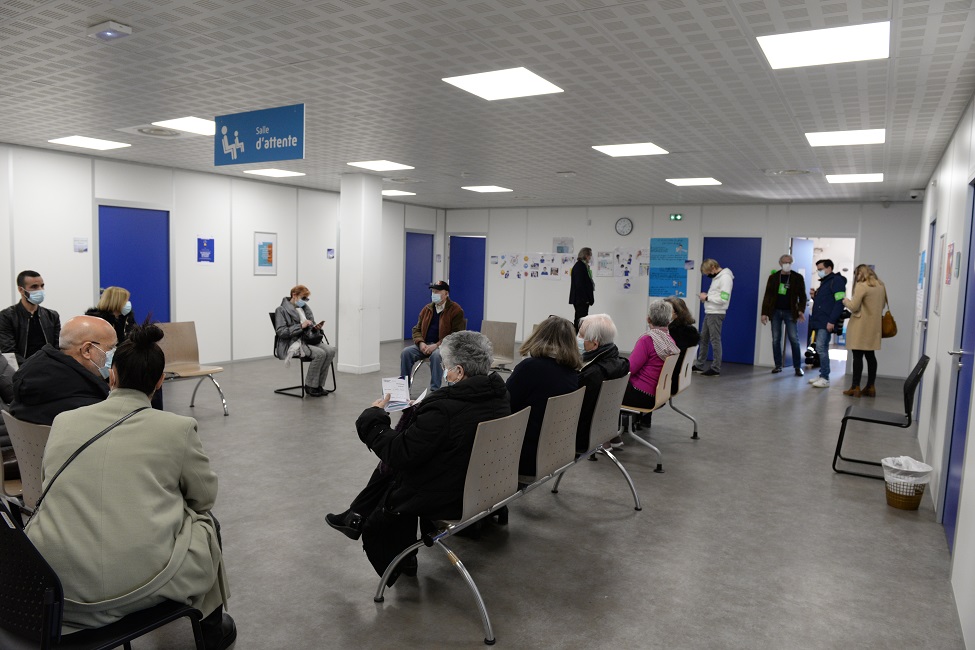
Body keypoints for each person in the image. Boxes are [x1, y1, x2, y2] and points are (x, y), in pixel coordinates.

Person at [24, 322, 235, 649]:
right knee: (207, 524)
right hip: (136, 588)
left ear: (113, 376)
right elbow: (204, 498)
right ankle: (212, 629)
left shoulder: (65, 421)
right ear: (161, 381)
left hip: (57, 589)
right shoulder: (177, 428)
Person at [325, 331, 509, 585]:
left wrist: (374, 418)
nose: (443, 371)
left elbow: (399, 453)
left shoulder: (444, 408)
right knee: (400, 469)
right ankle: (355, 517)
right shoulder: (498, 395)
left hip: (450, 496)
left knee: (395, 473)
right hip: (483, 484)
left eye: (444, 366)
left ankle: (388, 545)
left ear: (458, 371)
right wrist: (422, 416)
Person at [506, 315, 581, 477]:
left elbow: (505, 405)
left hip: (522, 455)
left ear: (539, 335)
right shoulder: (572, 373)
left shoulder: (530, 368)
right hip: (555, 451)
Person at [8, 315, 114, 425]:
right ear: (87, 350)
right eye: (111, 347)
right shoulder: (89, 407)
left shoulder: (28, 386)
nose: (114, 353)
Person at [576, 313, 629, 454]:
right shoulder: (621, 363)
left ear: (595, 343)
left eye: (581, 336)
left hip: (581, 436)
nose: (578, 339)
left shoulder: (591, 374)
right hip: (606, 425)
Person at [400, 281, 465, 391]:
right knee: (406, 352)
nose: (434, 294)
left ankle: (435, 390)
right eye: (433, 292)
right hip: (425, 345)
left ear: (446, 293)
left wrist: (436, 345)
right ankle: (402, 389)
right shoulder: (427, 309)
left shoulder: (456, 310)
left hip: (444, 347)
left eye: (438, 291)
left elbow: (456, 335)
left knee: (436, 356)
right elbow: (417, 329)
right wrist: (420, 343)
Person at [274, 284, 337, 397]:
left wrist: (315, 328)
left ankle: (318, 385)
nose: (305, 301)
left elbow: (309, 327)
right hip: (294, 342)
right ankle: (310, 386)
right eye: (303, 298)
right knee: (320, 354)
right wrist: (300, 326)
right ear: (294, 295)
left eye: (306, 299)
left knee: (331, 350)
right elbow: (281, 332)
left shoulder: (304, 309)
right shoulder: (281, 310)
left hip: (309, 340)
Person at [624, 300, 679, 423]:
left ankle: (612, 432)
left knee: (606, 390)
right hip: (660, 394)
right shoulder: (670, 340)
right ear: (669, 321)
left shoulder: (647, 340)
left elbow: (630, 369)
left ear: (648, 319)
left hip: (642, 395)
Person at [0, 270, 61, 365]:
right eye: (34, 287)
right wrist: (31, 368)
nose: (40, 290)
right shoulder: (7, 316)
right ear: (21, 290)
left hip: (49, 368)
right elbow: (9, 351)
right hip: (22, 371)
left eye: (42, 286)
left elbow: (57, 347)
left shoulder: (52, 316)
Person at [842, 264, 886, 397]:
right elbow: (882, 305)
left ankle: (855, 387)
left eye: (856, 274)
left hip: (860, 326)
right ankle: (871, 386)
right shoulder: (880, 285)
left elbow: (854, 307)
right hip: (874, 326)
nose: (856, 277)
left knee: (857, 356)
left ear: (861, 274)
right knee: (870, 356)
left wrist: (845, 301)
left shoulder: (862, 286)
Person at [760, 254, 807, 377]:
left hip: (790, 312)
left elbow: (803, 296)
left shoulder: (797, 277)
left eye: (789, 262)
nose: (787, 264)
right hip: (775, 311)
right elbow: (767, 296)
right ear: (780, 263)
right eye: (785, 262)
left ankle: (797, 367)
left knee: (794, 339)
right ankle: (778, 366)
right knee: (776, 339)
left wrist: (801, 310)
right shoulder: (774, 278)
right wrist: (764, 313)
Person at [808, 259, 847, 388]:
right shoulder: (825, 282)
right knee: (821, 348)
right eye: (818, 270)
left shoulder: (837, 281)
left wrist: (832, 321)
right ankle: (822, 374)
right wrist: (815, 296)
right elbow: (825, 302)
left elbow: (839, 302)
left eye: (821, 269)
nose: (819, 272)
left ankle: (825, 377)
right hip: (820, 321)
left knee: (821, 347)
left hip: (826, 321)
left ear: (829, 268)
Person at [693, 259, 733, 377]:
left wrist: (706, 298)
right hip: (710, 312)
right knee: (703, 338)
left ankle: (715, 368)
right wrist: (706, 297)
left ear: (713, 268)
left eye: (708, 273)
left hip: (716, 313)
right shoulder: (717, 277)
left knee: (715, 340)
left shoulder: (725, 278)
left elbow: (724, 299)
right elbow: (717, 295)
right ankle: (699, 365)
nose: (708, 275)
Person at [569, 248, 595, 331]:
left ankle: (578, 338)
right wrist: (586, 299)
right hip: (581, 300)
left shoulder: (582, 266)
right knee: (580, 321)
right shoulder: (580, 267)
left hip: (581, 299)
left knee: (580, 320)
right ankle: (578, 339)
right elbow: (579, 285)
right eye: (589, 255)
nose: (590, 258)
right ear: (586, 255)